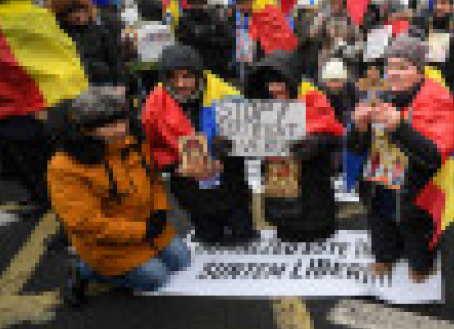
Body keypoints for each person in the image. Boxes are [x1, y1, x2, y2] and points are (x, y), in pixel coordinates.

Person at [47, 88, 190, 306]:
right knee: (155, 279)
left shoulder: (135, 143)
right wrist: (142, 231)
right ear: (86, 129)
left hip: (147, 226)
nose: (121, 129)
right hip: (107, 243)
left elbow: (153, 179)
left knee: (182, 261)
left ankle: (121, 264)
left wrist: (160, 210)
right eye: (110, 125)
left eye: (122, 120)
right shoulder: (64, 166)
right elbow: (85, 223)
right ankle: (83, 269)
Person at [348, 35, 454, 282]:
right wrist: (358, 127)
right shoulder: (378, 97)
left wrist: (400, 127)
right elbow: (355, 149)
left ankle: (420, 264)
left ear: (420, 71)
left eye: (403, 67)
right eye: (390, 66)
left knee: (416, 229)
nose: (393, 74)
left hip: (417, 192)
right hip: (379, 182)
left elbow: (433, 156)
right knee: (381, 220)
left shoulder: (438, 99)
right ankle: (385, 256)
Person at [0, 0, 87, 218]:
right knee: (58, 164)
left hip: (19, 107)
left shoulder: (1, 21)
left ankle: (63, 214)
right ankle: (49, 201)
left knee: (41, 166)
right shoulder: (42, 16)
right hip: (61, 98)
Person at [142, 45, 255, 245]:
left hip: (228, 176)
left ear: (199, 74)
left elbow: (250, 137)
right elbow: (150, 146)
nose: (181, 84)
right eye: (173, 78)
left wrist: (226, 153)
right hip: (190, 183)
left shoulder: (227, 94)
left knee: (243, 235)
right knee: (208, 238)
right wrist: (175, 167)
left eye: (187, 76)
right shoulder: (154, 105)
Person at [245, 51, 344, 242]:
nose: (275, 89)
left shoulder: (315, 99)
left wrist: (316, 143)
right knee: (286, 237)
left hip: (313, 194)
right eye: (270, 84)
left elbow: (335, 137)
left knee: (319, 243)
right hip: (280, 193)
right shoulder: (260, 109)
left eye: (280, 83)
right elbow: (251, 146)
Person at [49, 0, 127, 88]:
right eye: (70, 12)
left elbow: (115, 59)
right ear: (61, 16)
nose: (77, 15)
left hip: (105, 84)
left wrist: (120, 84)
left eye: (80, 9)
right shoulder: (60, 37)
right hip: (77, 87)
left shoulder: (99, 31)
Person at [176, 0, 234, 81]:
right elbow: (182, 43)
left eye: (199, 3)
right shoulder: (184, 21)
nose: (196, 6)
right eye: (193, 3)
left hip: (216, 67)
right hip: (194, 66)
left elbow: (228, 40)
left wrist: (207, 38)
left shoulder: (215, 18)